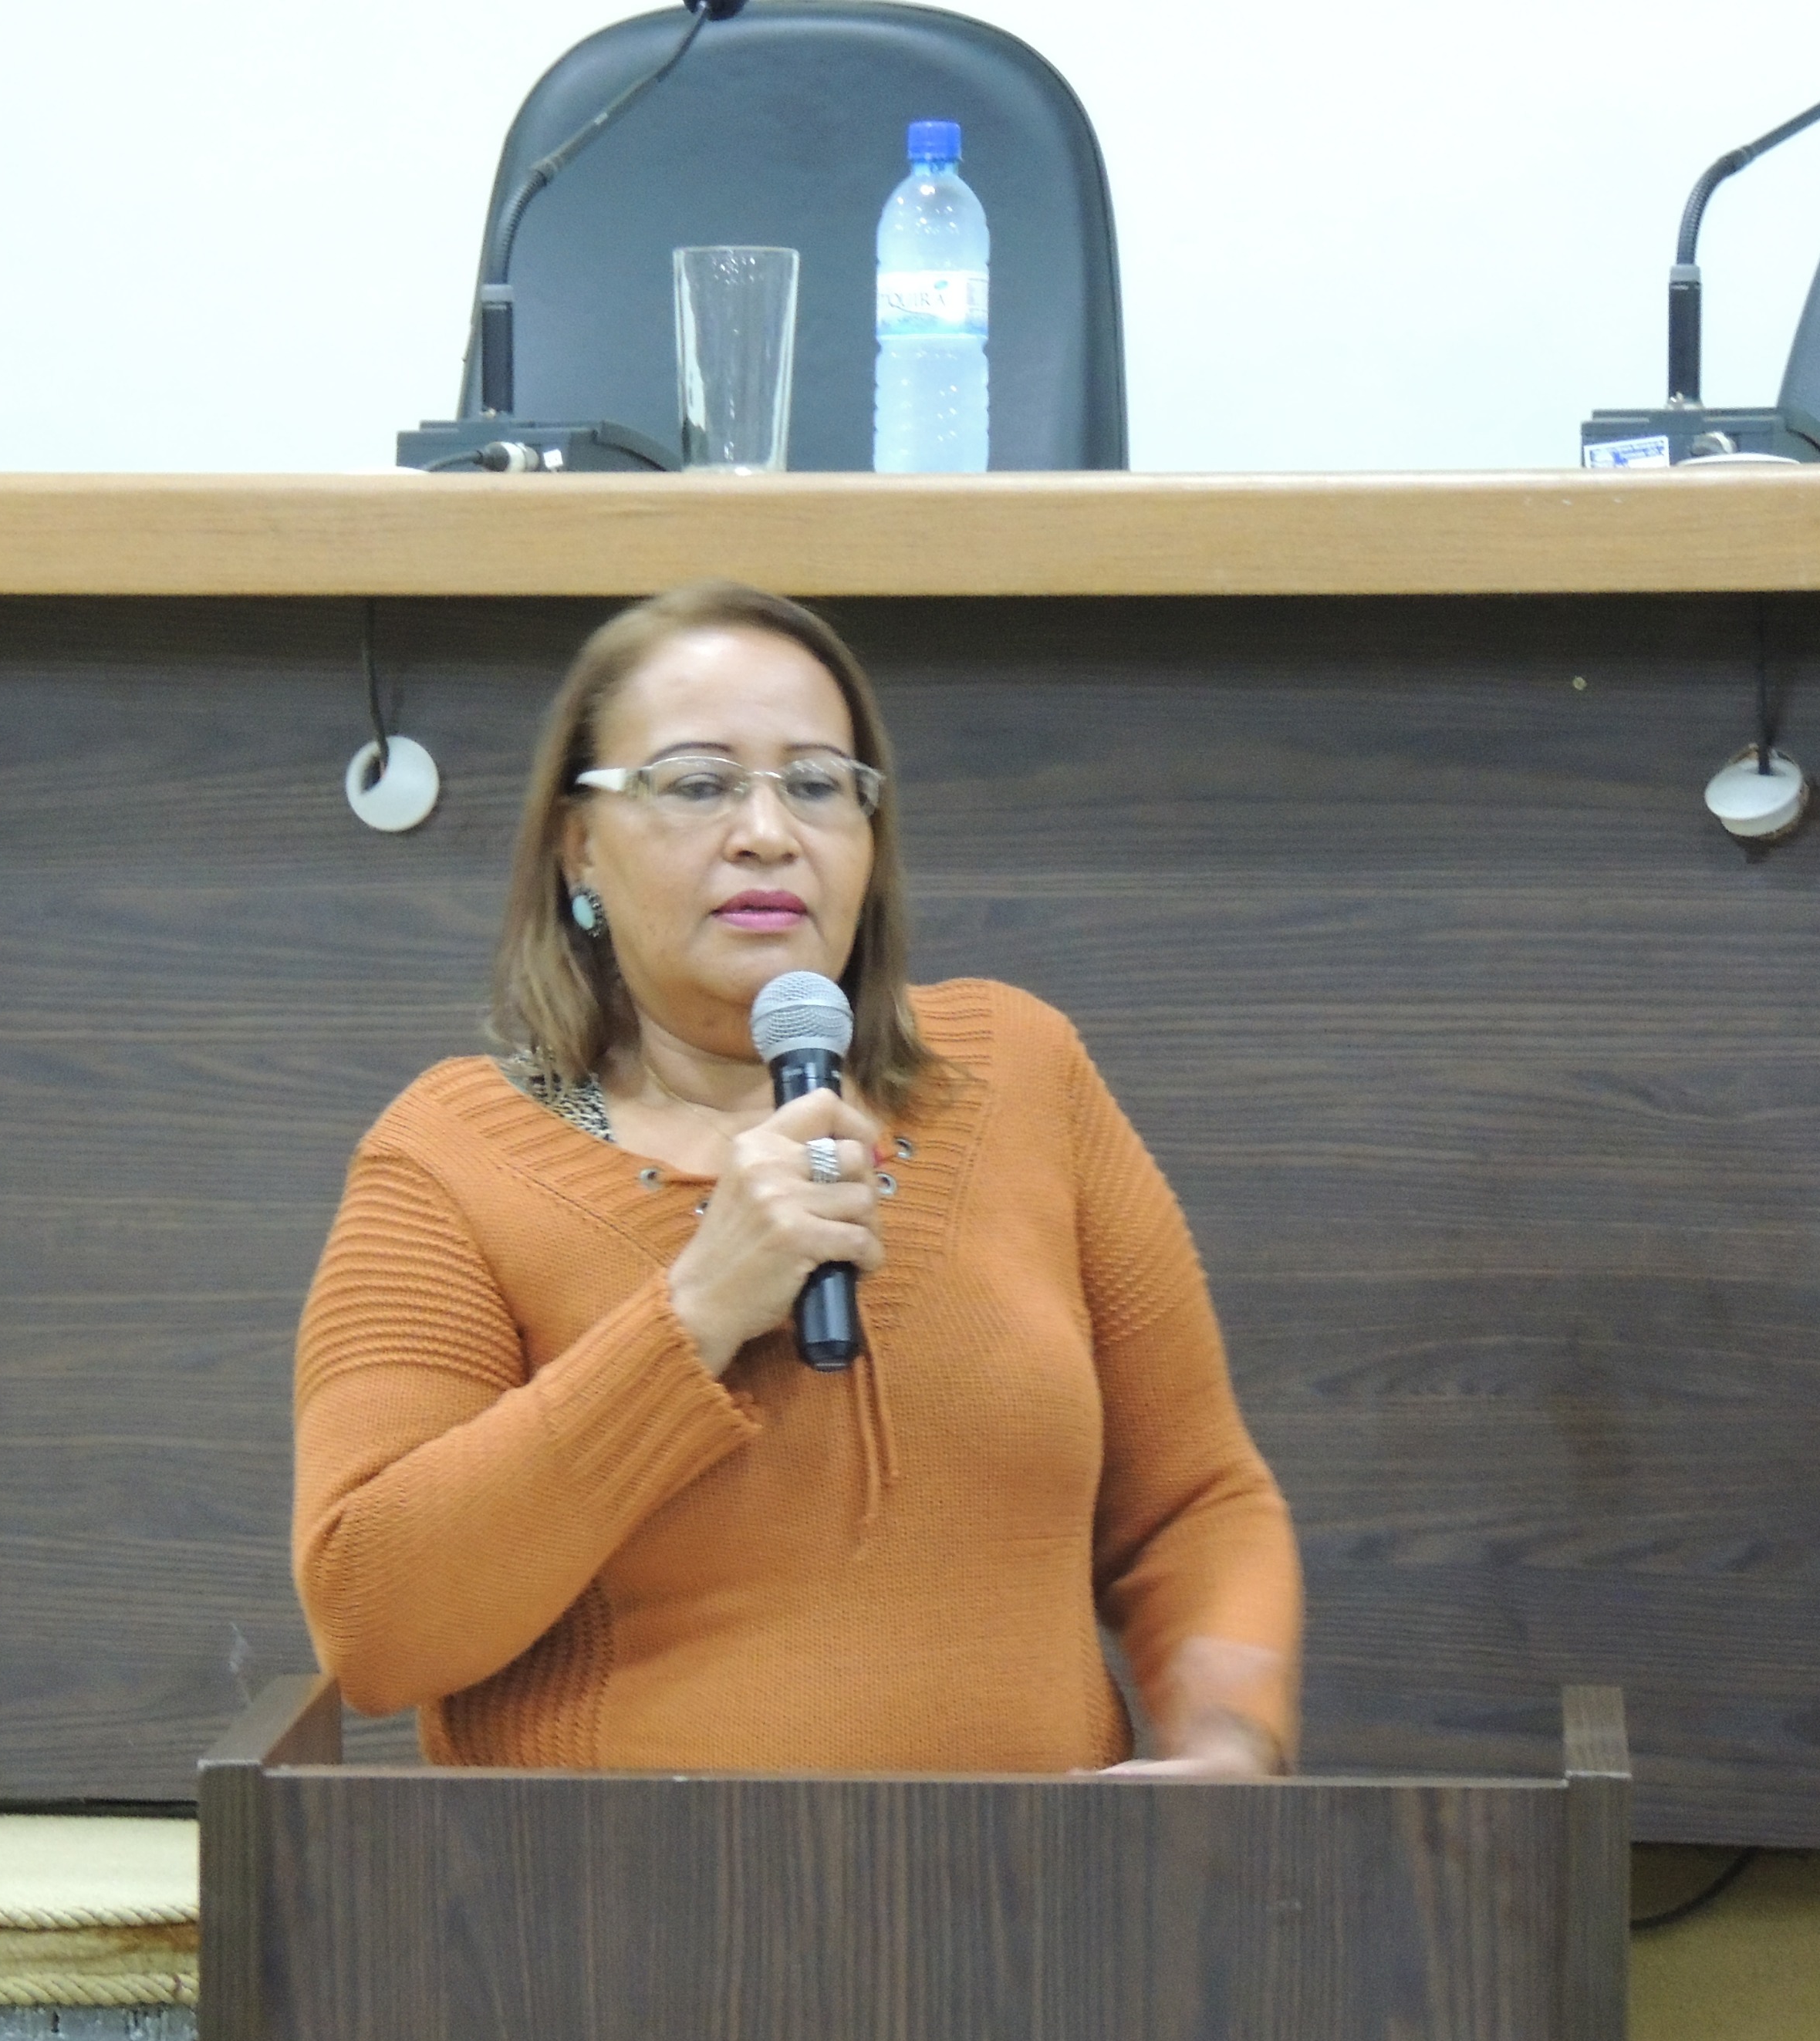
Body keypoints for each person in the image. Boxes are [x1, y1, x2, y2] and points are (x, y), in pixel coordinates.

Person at [292, 581, 1301, 1776]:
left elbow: (1193, 1505)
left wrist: (1229, 1743)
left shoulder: (1021, 1071)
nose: (768, 832)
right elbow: (377, 1626)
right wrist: (695, 1313)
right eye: (698, 784)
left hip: (1036, 1882)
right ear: (579, 848)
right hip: (615, 1885)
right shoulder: (453, 1157)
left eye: (818, 785)